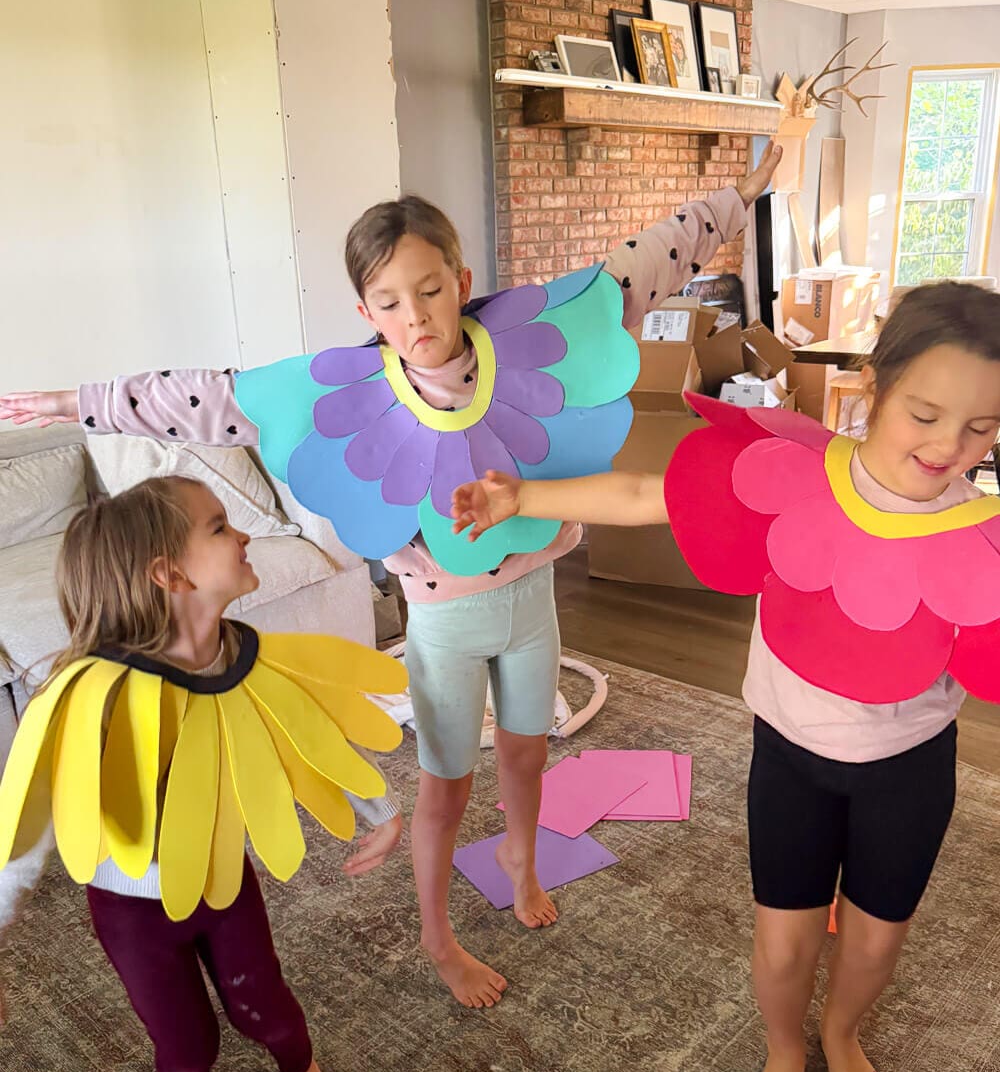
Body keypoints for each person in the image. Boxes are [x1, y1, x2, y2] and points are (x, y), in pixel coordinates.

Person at [0, 141, 781, 1010]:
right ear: (365, 310)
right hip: (443, 620)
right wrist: (78, 402)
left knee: (527, 753)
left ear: (462, 275)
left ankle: (522, 859)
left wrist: (737, 196)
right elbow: (212, 399)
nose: (415, 315)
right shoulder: (346, 390)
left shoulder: (523, 340)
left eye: (431, 288)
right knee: (446, 787)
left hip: (530, 600)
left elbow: (638, 270)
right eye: (389, 301)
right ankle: (438, 937)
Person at [451, 281, 1000, 1072]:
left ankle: (841, 1029)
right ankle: (784, 1046)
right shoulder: (794, 476)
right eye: (926, 414)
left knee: (872, 942)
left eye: (982, 427)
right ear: (878, 384)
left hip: (910, 767)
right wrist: (524, 501)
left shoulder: (983, 535)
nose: (948, 446)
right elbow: (643, 497)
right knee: (784, 942)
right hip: (790, 757)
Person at [0, 475, 403, 1072]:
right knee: (180, 1039)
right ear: (168, 573)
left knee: (263, 1000)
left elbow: (307, 736)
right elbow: (29, 816)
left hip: (223, 878)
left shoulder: (251, 663)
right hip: (129, 905)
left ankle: (299, 1069)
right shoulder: (90, 694)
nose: (243, 533)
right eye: (219, 526)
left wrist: (381, 810)